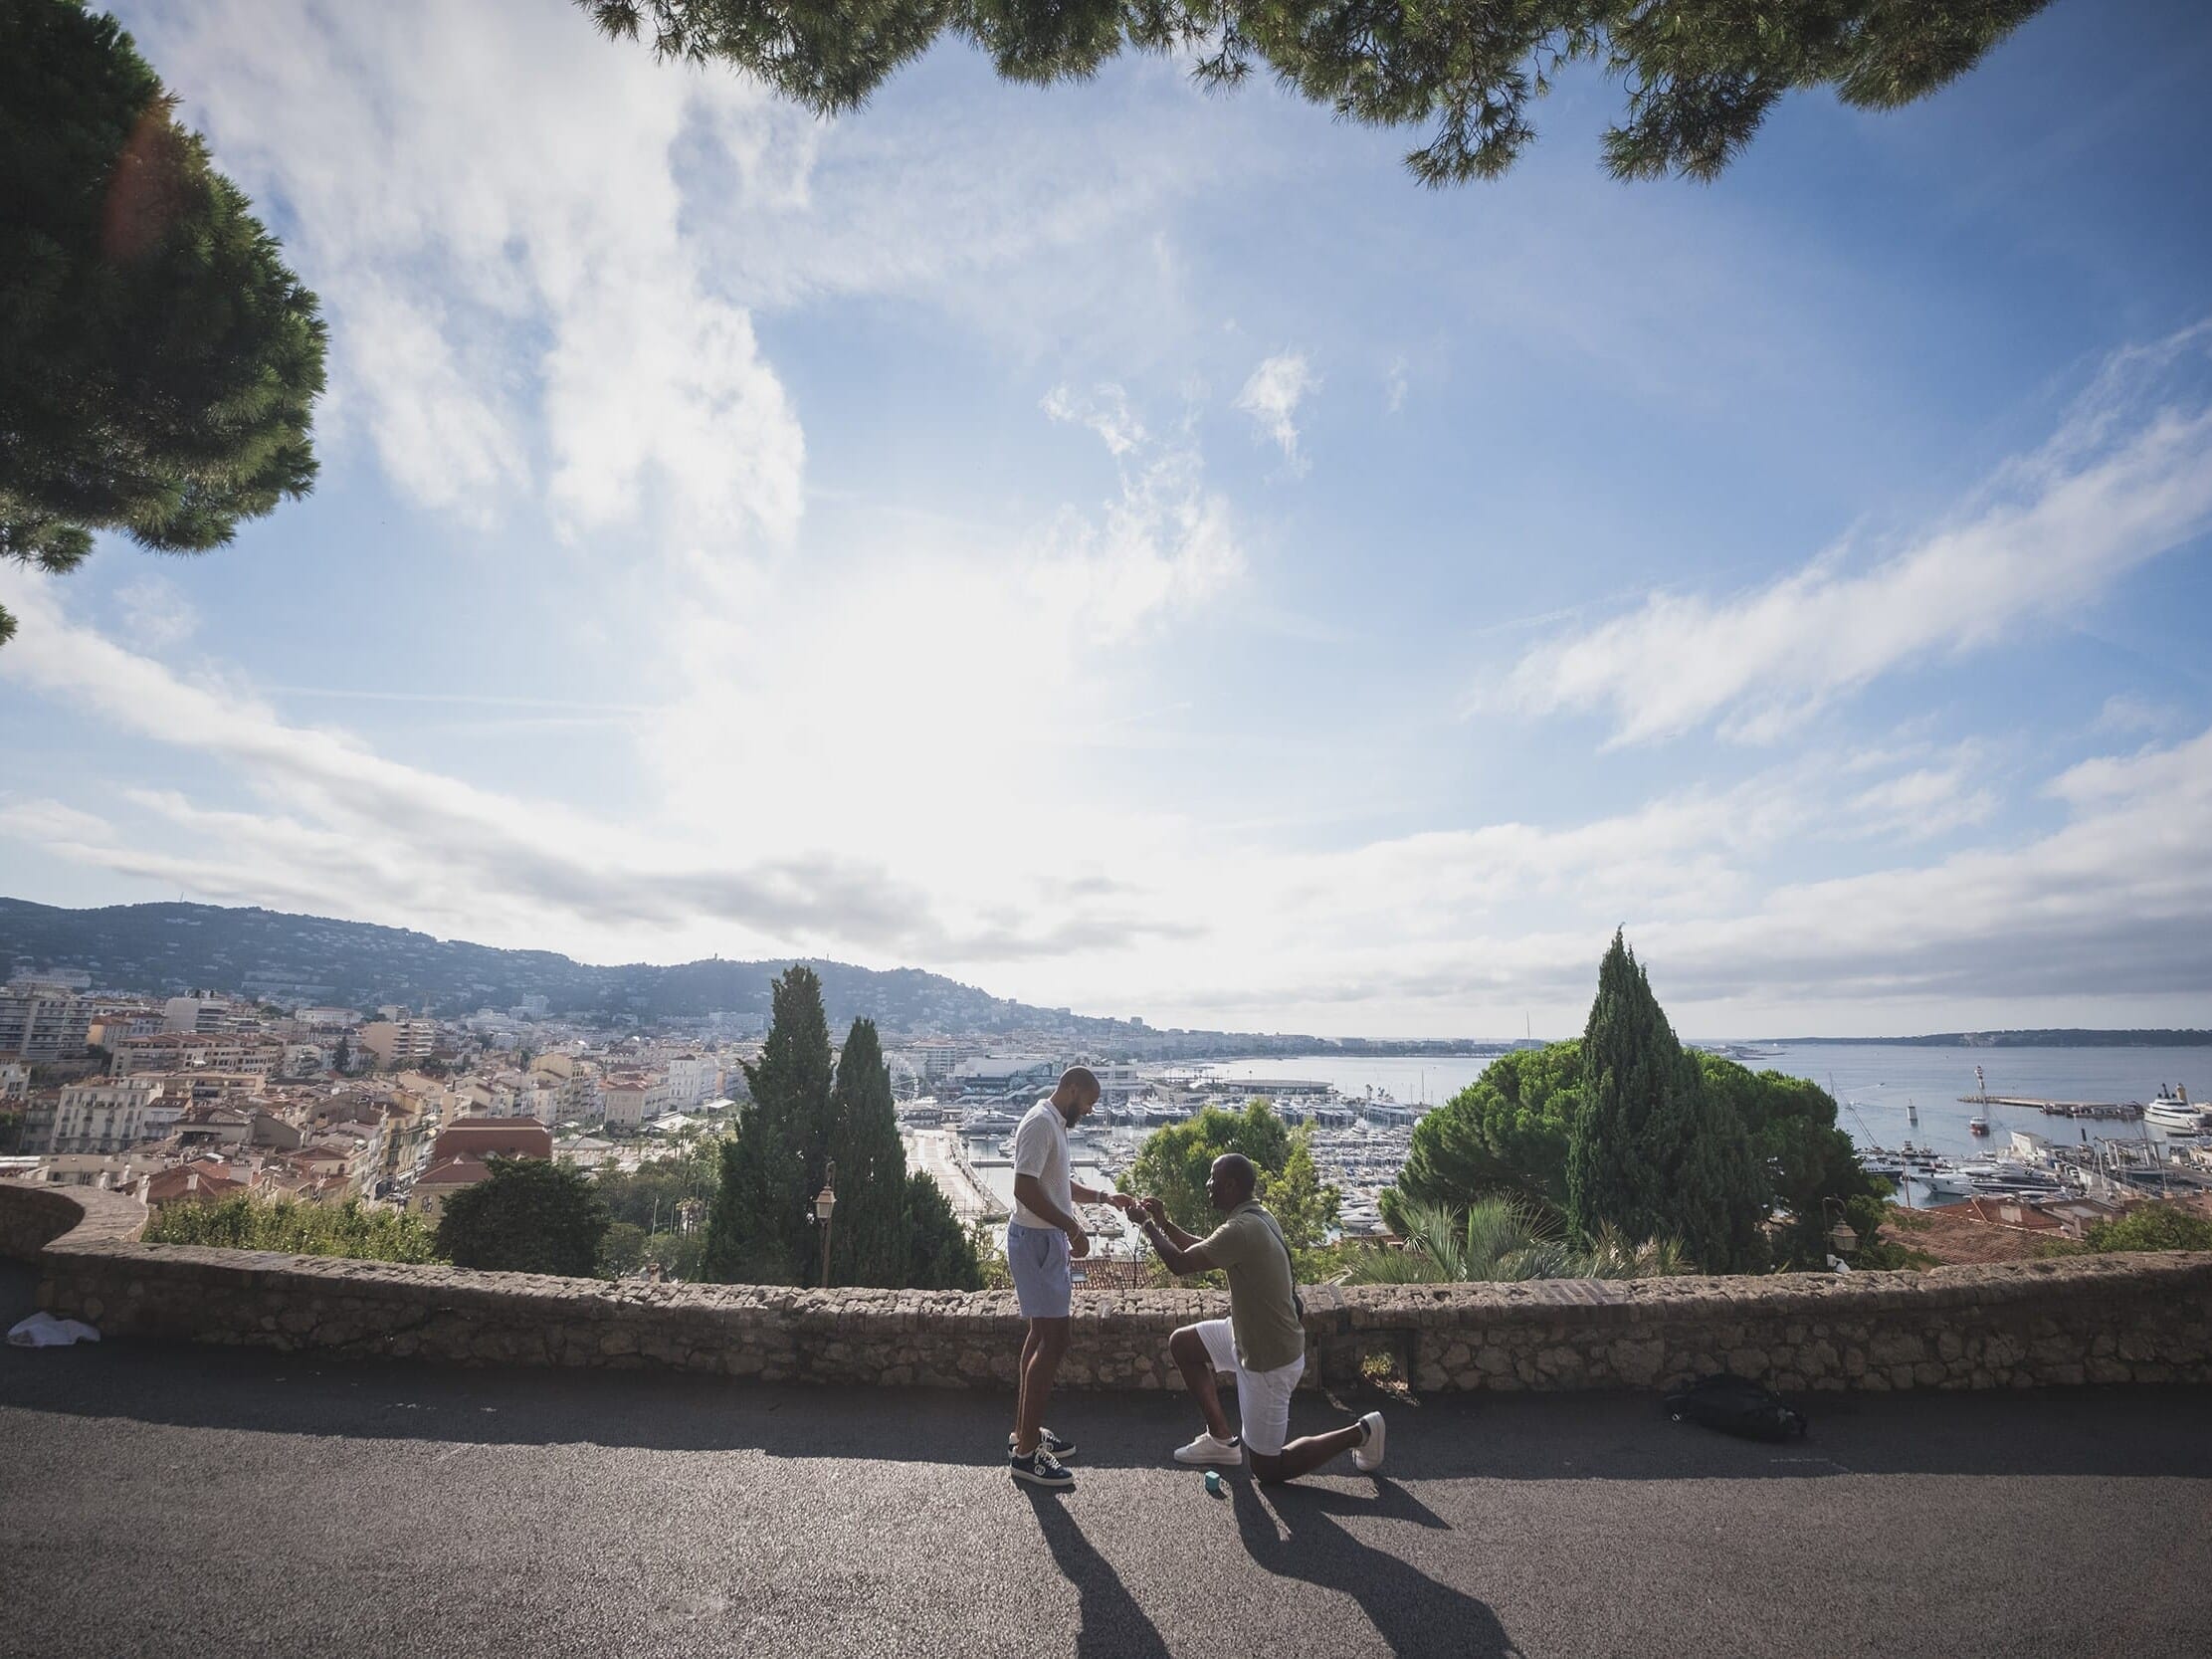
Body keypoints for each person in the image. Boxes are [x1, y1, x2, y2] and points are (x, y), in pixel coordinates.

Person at [1127, 1152, 1384, 1483]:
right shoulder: (1254, 1217)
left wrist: (1147, 1225)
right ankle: (1221, 1440)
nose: (1208, 1185)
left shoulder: (1242, 1228)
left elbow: (1179, 1264)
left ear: (1231, 1185)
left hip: (1269, 1359)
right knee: (1184, 1345)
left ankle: (1362, 1432)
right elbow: (1201, 1249)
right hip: (1246, 1335)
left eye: (1212, 1179)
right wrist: (1163, 1223)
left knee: (1268, 1469)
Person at [1006, 1065, 1116, 1490]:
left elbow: (1056, 1185)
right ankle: (1027, 1455)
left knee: (1039, 1337)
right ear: (1071, 1089)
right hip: (1038, 1242)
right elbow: (1023, 1187)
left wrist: (1103, 1197)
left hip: (1042, 1240)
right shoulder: (1040, 1123)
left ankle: (1024, 1434)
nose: (1088, 1111)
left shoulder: (1054, 1122)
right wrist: (1072, 1227)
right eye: (1088, 1102)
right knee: (1056, 1341)